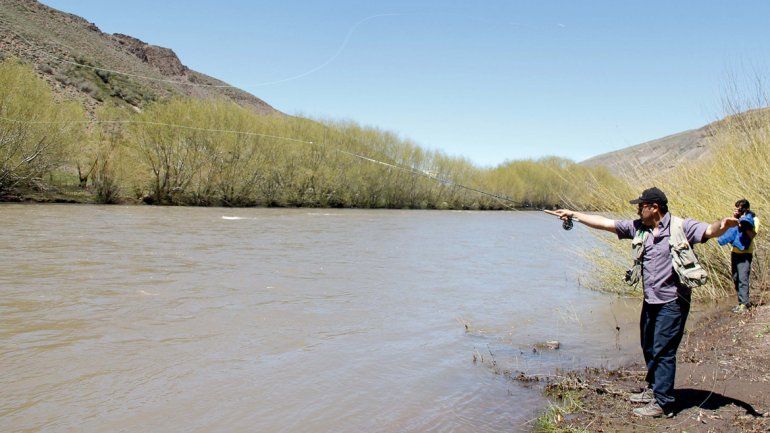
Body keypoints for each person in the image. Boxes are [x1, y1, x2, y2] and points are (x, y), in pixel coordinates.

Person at [551, 187, 738, 418]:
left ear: (654, 207)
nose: (638, 210)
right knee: (649, 346)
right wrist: (575, 215)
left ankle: (664, 403)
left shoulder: (681, 226)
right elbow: (606, 223)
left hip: (673, 302)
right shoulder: (639, 228)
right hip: (651, 301)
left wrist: (725, 225)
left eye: (641, 206)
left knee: (663, 351)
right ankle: (653, 389)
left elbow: (710, 230)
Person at [718, 199, 760, 313]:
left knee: (743, 279)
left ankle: (744, 305)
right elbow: (728, 232)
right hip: (735, 252)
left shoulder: (754, 219)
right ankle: (741, 302)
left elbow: (751, 235)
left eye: (740, 208)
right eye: (737, 208)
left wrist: (744, 223)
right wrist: (735, 219)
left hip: (745, 254)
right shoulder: (736, 219)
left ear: (747, 208)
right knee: (736, 278)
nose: (739, 210)